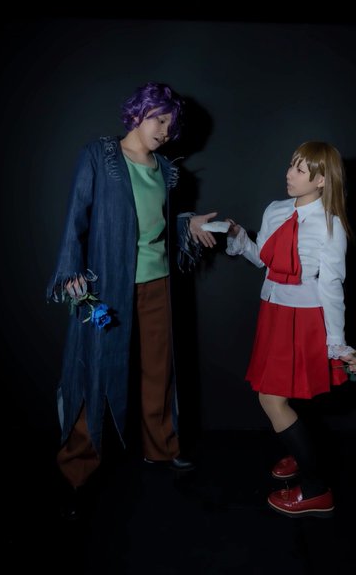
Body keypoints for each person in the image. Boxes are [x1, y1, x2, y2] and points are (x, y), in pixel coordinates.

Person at [47, 81, 217, 519]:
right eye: (159, 119)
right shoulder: (99, 155)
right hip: (108, 287)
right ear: (139, 113)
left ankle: (161, 448)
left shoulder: (164, 167)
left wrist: (187, 223)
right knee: (94, 371)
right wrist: (70, 271)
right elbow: (77, 217)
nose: (165, 131)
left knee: (158, 370)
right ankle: (77, 467)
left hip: (157, 283)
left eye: (171, 125)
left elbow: (155, 223)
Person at [225, 141, 356, 518]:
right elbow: (264, 258)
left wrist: (337, 343)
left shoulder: (331, 225)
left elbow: (331, 286)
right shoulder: (276, 209)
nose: (289, 174)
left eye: (301, 170)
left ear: (321, 180)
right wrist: (239, 237)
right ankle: (302, 455)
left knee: (271, 399)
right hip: (272, 311)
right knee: (280, 394)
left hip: (303, 318)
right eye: (291, 164)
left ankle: (317, 488)